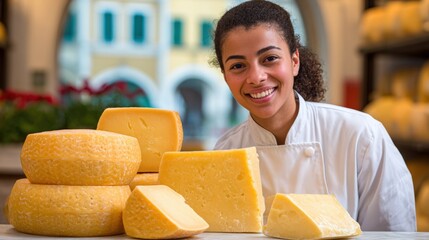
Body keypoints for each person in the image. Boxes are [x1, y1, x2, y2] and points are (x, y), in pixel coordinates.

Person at [212, 0, 416, 231]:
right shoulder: (224, 153)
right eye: (238, 66)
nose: (256, 77)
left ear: (294, 61)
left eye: (269, 58)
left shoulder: (361, 136)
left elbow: (394, 233)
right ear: (226, 76)